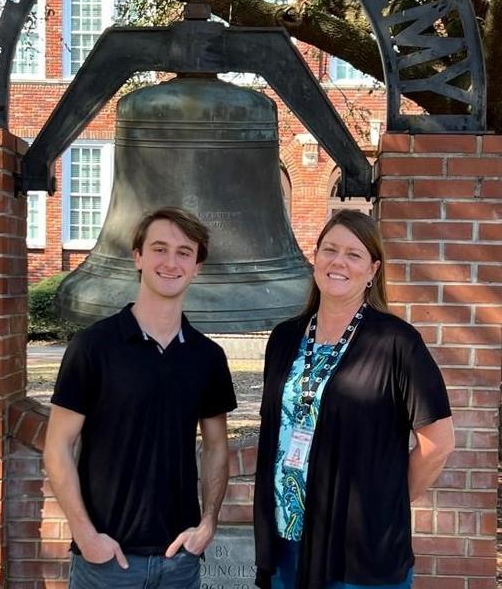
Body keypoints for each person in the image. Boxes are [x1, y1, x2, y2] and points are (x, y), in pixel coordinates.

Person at [254, 209, 454, 589]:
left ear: (372, 270)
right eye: (329, 249)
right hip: (286, 542)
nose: (338, 262)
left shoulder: (396, 343)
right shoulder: (284, 339)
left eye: (353, 254)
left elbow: (439, 444)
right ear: (315, 258)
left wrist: (384, 507)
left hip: (359, 553)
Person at [44, 206, 237, 589]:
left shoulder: (207, 357)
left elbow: (216, 447)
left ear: (197, 265)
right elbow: (58, 446)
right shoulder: (93, 347)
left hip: (179, 563)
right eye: (159, 249)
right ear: (138, 257)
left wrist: (208, 523)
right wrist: (85, 536)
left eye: (184, 252)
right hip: (106, 562)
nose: (171, 262)